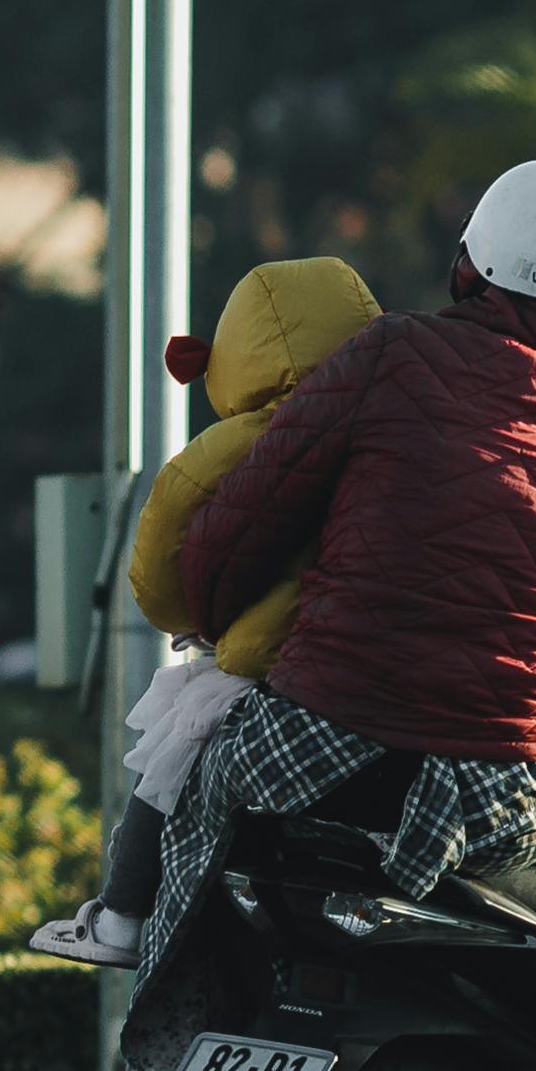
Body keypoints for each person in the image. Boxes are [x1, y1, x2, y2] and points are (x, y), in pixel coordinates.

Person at [122, 160, 536, 1063]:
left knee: (204, 787)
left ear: (472, 267)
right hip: (504, 799)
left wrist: (233, 631)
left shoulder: (393, 354)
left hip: (315, 750)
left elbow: (240, 532)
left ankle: (174, 1040)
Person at [33, 252, 381, 969]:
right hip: (367, 663)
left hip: (262, 659)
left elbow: (159, 569)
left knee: (162, 772)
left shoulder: (233, 444)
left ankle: (124, 917)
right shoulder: (398, 433)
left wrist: (190, 617)